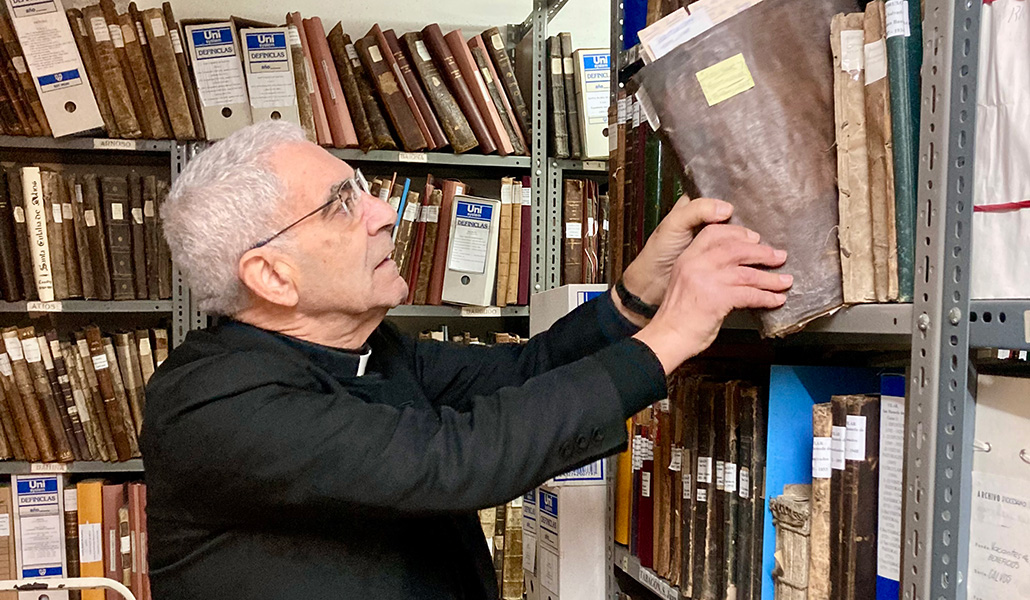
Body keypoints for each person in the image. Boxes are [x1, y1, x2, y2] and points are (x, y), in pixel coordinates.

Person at [142, 121, 791, 599]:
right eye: (342, 204)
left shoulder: (373, 350)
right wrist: (674, 333)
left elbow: (527, 370)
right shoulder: (211, 402)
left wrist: (636, 296)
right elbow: (452, 461)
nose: (382, 213)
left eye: (362, 188)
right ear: (272, 276)